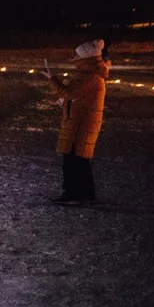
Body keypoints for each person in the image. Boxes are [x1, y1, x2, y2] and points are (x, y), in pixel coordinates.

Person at [41, 40, 109, 205]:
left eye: (78, 55)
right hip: (79, 122)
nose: (75, 58)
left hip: (81, 125)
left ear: (86, 58)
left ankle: (73, 192)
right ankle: (85, 193)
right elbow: (76, 98)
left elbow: (69, 93)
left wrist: (52, 79)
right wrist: (60, 101)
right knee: (79, 159)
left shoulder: (92, 78)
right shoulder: (87, 76)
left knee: (74, 159)